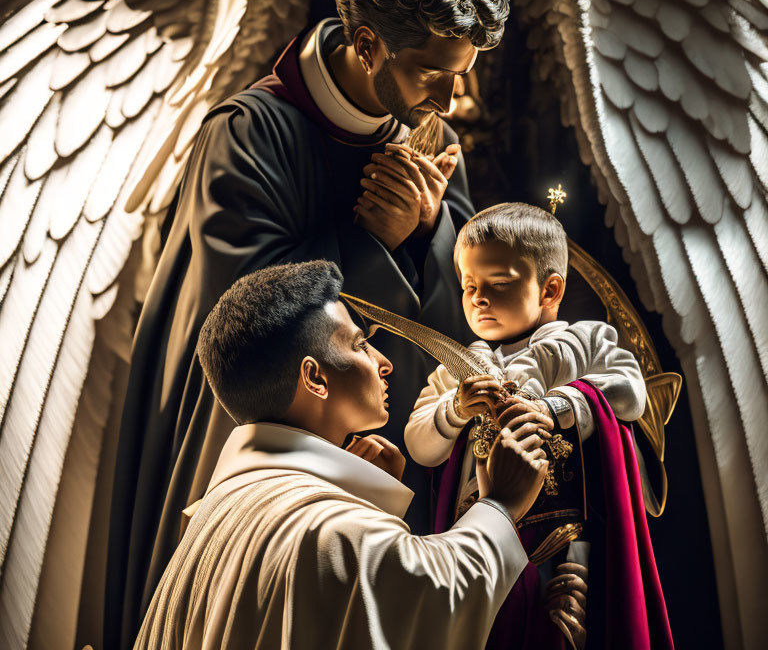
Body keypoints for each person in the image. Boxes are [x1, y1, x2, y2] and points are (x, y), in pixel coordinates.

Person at [106, 0, 510, 648]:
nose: (452, 103)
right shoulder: (248, 133)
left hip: (391, 448)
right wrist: (373, 241)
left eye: (463, 76)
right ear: (365, 44)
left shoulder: (432, 137)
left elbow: (465, 311)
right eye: (434, 75)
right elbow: (247, 325)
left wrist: (426, 236)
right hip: (265, 471)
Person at [134, 260, 551, 650]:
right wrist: (500, 504)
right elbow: (432, 597)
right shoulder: (329, 530)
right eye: (361, 345)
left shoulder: (220, 510)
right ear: (315, 377)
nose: (384, 363)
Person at [404, 202, 673, 649]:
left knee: (566, 628)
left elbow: (630, 392)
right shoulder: (458, 368)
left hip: (568, 533)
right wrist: (455, 408)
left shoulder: (587, 341)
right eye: (469, 285)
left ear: (550, 290)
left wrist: (558, 406)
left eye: (499, 283)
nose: (478, 298)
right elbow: (419, 445)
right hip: (482, 534)